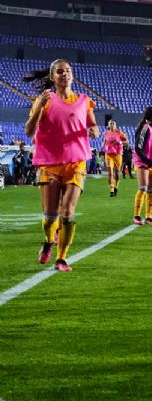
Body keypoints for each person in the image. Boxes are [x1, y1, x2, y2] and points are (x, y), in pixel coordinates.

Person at [23, 59, 100, 271]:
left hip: (76, 163)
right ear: (52, 77)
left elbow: (93, 125)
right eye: (59, 72)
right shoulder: (44, 101)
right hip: (50, 165)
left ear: (72, 75)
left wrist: (94, 130)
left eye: (67, 71)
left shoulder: (84, 101)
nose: (64, 74)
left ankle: (62, 258)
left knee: (67, 212)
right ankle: (48, 241)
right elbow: (29, 131)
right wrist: (38, 106)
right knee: (50, 217)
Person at [132, 107, 152, 226]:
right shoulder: (145, 128)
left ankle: (148, 216)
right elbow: (138, 147)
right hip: (143, 162)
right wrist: (147, 160)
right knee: (143, 187)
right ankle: (137, 216)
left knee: (151, 190)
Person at [103, 120, 127, 197]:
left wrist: (119, 142)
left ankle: (116, 186)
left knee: (117, 174)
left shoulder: (119, 132)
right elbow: (104, 142)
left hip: (117, 155)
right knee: (110, 173)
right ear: (108, 125)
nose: (112, 125)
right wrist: (103, 146)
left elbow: (127, 141)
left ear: (115, 125)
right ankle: (111, 189)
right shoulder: (106, 133)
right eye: (110, 123)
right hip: (108, 154)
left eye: (113, 123)